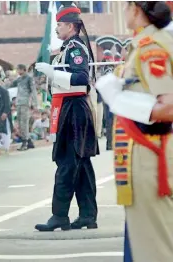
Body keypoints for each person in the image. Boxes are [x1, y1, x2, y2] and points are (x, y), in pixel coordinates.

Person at [95, 2, 173, 261]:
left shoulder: (151, 47)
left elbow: (169, 107)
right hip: (145, 154)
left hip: (151, 157)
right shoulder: (143, 44)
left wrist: (119, 100)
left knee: (155, 248)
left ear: (136, 9)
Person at [34, 2, 99, 231]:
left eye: (60, 25)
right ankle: (88, 215)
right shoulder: (68, 47)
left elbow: (81, 78)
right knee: (80, 164)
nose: (57, 29)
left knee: (67, 163)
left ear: (70, 26)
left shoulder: (75, 48)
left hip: (74, 109)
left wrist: (53, 73)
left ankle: (59, 215)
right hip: (68, 108)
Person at [10, 64, 35, 150]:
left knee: (23, 123)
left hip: (25, 102)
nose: (18, 72)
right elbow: (10, 85)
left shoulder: (29, 78)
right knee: (20, 123)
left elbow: (33, 91)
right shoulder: (19, 79)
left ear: (23, 70)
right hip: (19, 103)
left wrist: (35, 103)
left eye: (19, 70)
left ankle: (25, 143)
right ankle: (29, 142)